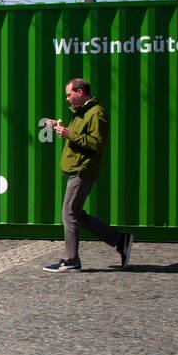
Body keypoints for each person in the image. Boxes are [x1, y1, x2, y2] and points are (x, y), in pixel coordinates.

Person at [42, 78, 133, 272]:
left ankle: (72, 260)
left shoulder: (96, 113)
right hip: (77, 167)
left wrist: (69, 134)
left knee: (68, 214)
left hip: (83, 170)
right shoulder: (83, 112)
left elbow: (97, 144)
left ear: (80, 92)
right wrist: (62, 129)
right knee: (77, 214)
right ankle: (119, 240)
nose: (67, 99)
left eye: (69, 94)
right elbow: (81, 137)